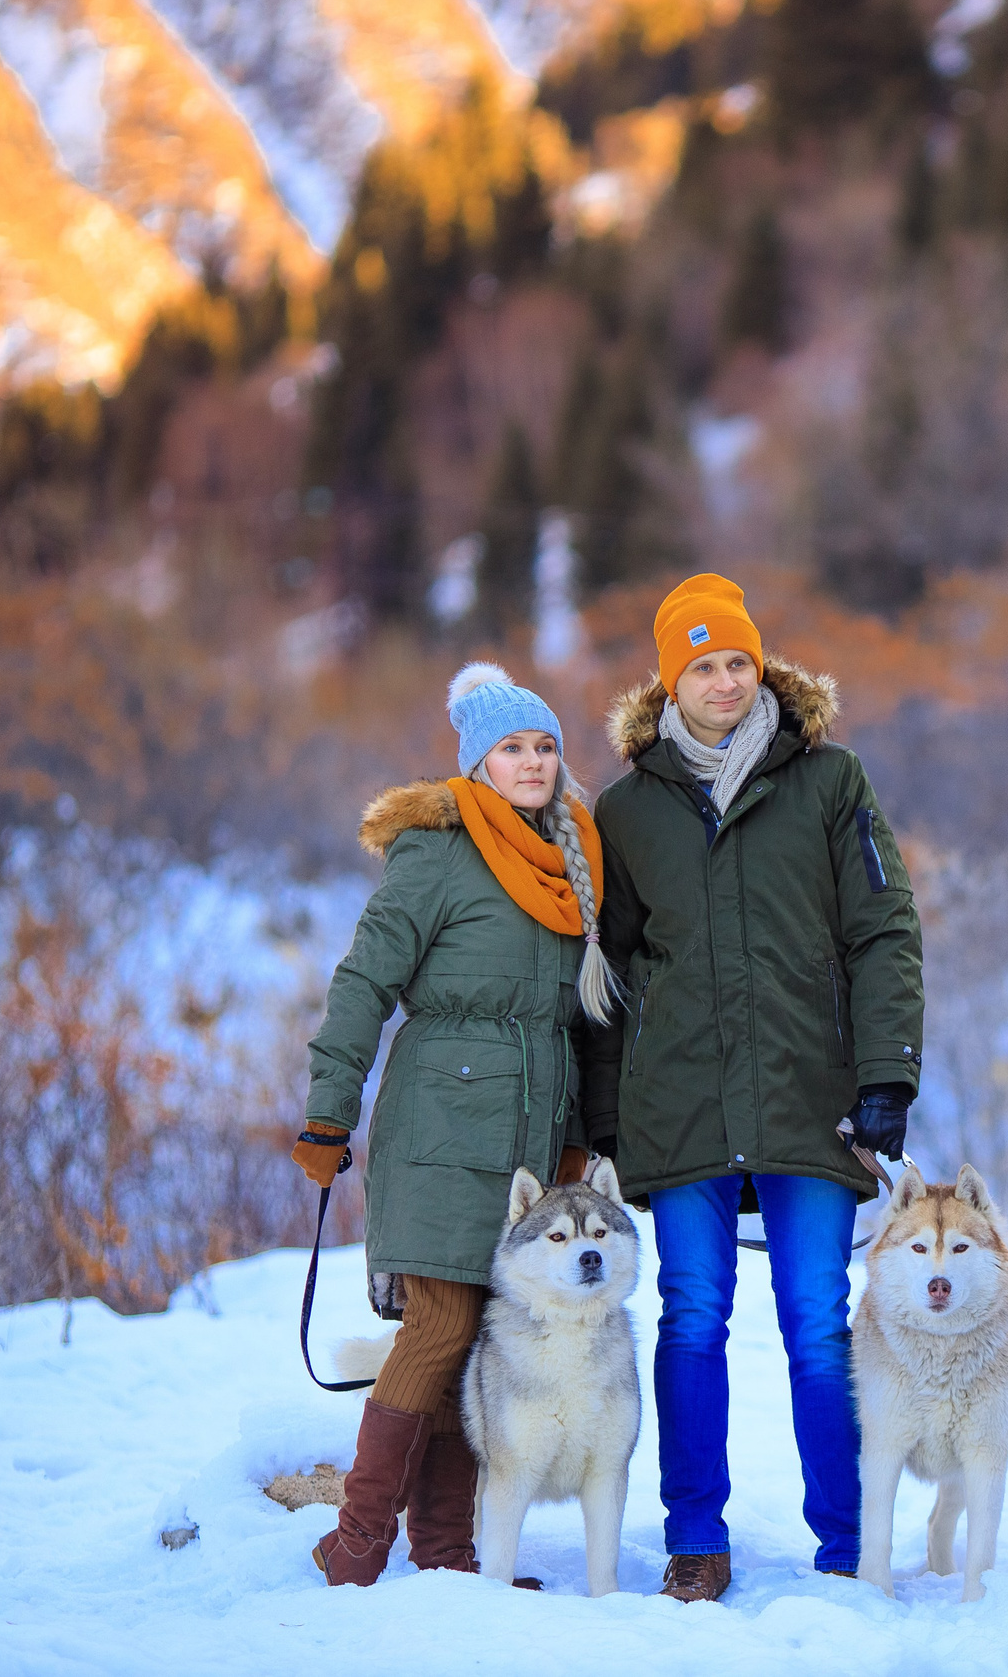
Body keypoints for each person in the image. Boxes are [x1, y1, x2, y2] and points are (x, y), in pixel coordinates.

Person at [582, 573, 923, 1603]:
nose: (724, 682)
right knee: (690, 1316)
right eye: (702, 667)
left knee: (817, 1319)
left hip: (809, 1095)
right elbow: (609, 974)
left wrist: (886, 1073)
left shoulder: (829, 781)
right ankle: (695, 1540)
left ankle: (849, 1539)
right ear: (669, 682)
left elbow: (883, 930)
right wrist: (606, 1113)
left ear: (760, 666)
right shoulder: (625, 810)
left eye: (738, 661)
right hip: (680, 1101)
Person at [290, 661, 618, 1586]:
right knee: (437, 1326)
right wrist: (329, 1110)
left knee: (472, 1341)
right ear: (477, 762)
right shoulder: (436, 851)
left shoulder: (571, 862)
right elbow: (364, 980)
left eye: (545, 745)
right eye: (512, 748)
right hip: (439, 1125)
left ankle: (445, 1552)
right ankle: (358, 1540)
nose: (533, 762)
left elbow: (575, 1024)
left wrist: (577, 1135)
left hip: (528, 1144)